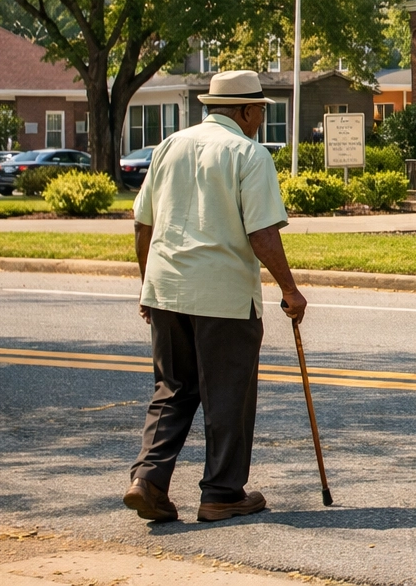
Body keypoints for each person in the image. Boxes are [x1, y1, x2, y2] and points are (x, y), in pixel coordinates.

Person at [123, 70, 306, 525]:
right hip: (222, 295)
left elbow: (142, 224)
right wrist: (289, 288)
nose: (261, 118)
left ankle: (148, 480)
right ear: (245, 110)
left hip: (166, 287)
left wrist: (147, 285)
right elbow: (261, 232)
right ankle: (221, 493)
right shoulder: (249, 153)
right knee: (228, 394)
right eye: (260, 110)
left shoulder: (169, 146)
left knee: (172, 389)